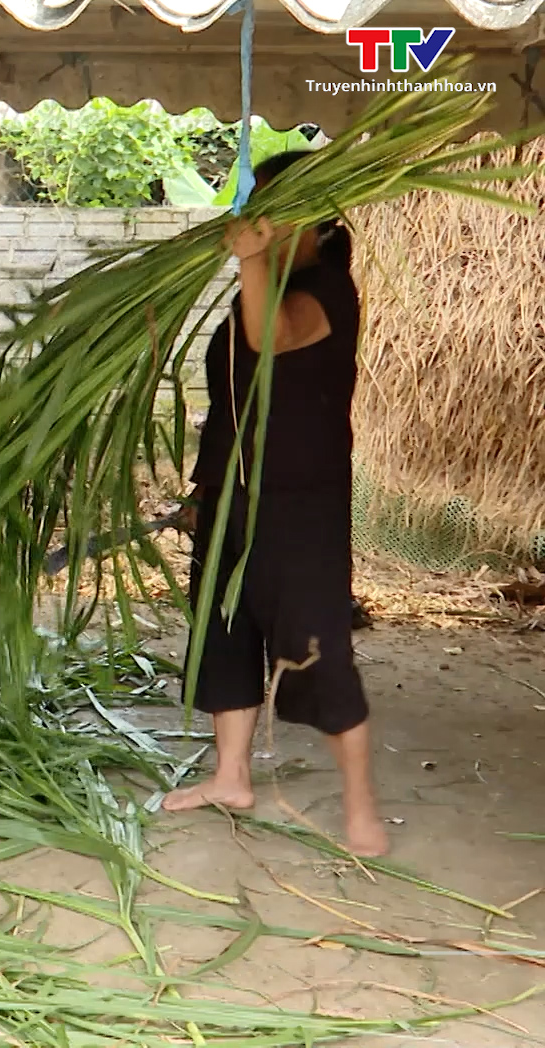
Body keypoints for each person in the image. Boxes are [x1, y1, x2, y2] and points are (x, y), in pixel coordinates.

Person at [163, 149, 388, 858]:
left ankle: (360, 807)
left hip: (300, 508)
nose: (261, 222)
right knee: (224, 634)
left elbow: (272, 340)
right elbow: (230, 402)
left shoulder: (327, 291)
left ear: (316, 224)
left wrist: (251, 261)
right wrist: (204, 488)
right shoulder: (257, 289)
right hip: (233, 495)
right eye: (255, 206)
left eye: (274, 210)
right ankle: (230, 776)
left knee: (317, 647)